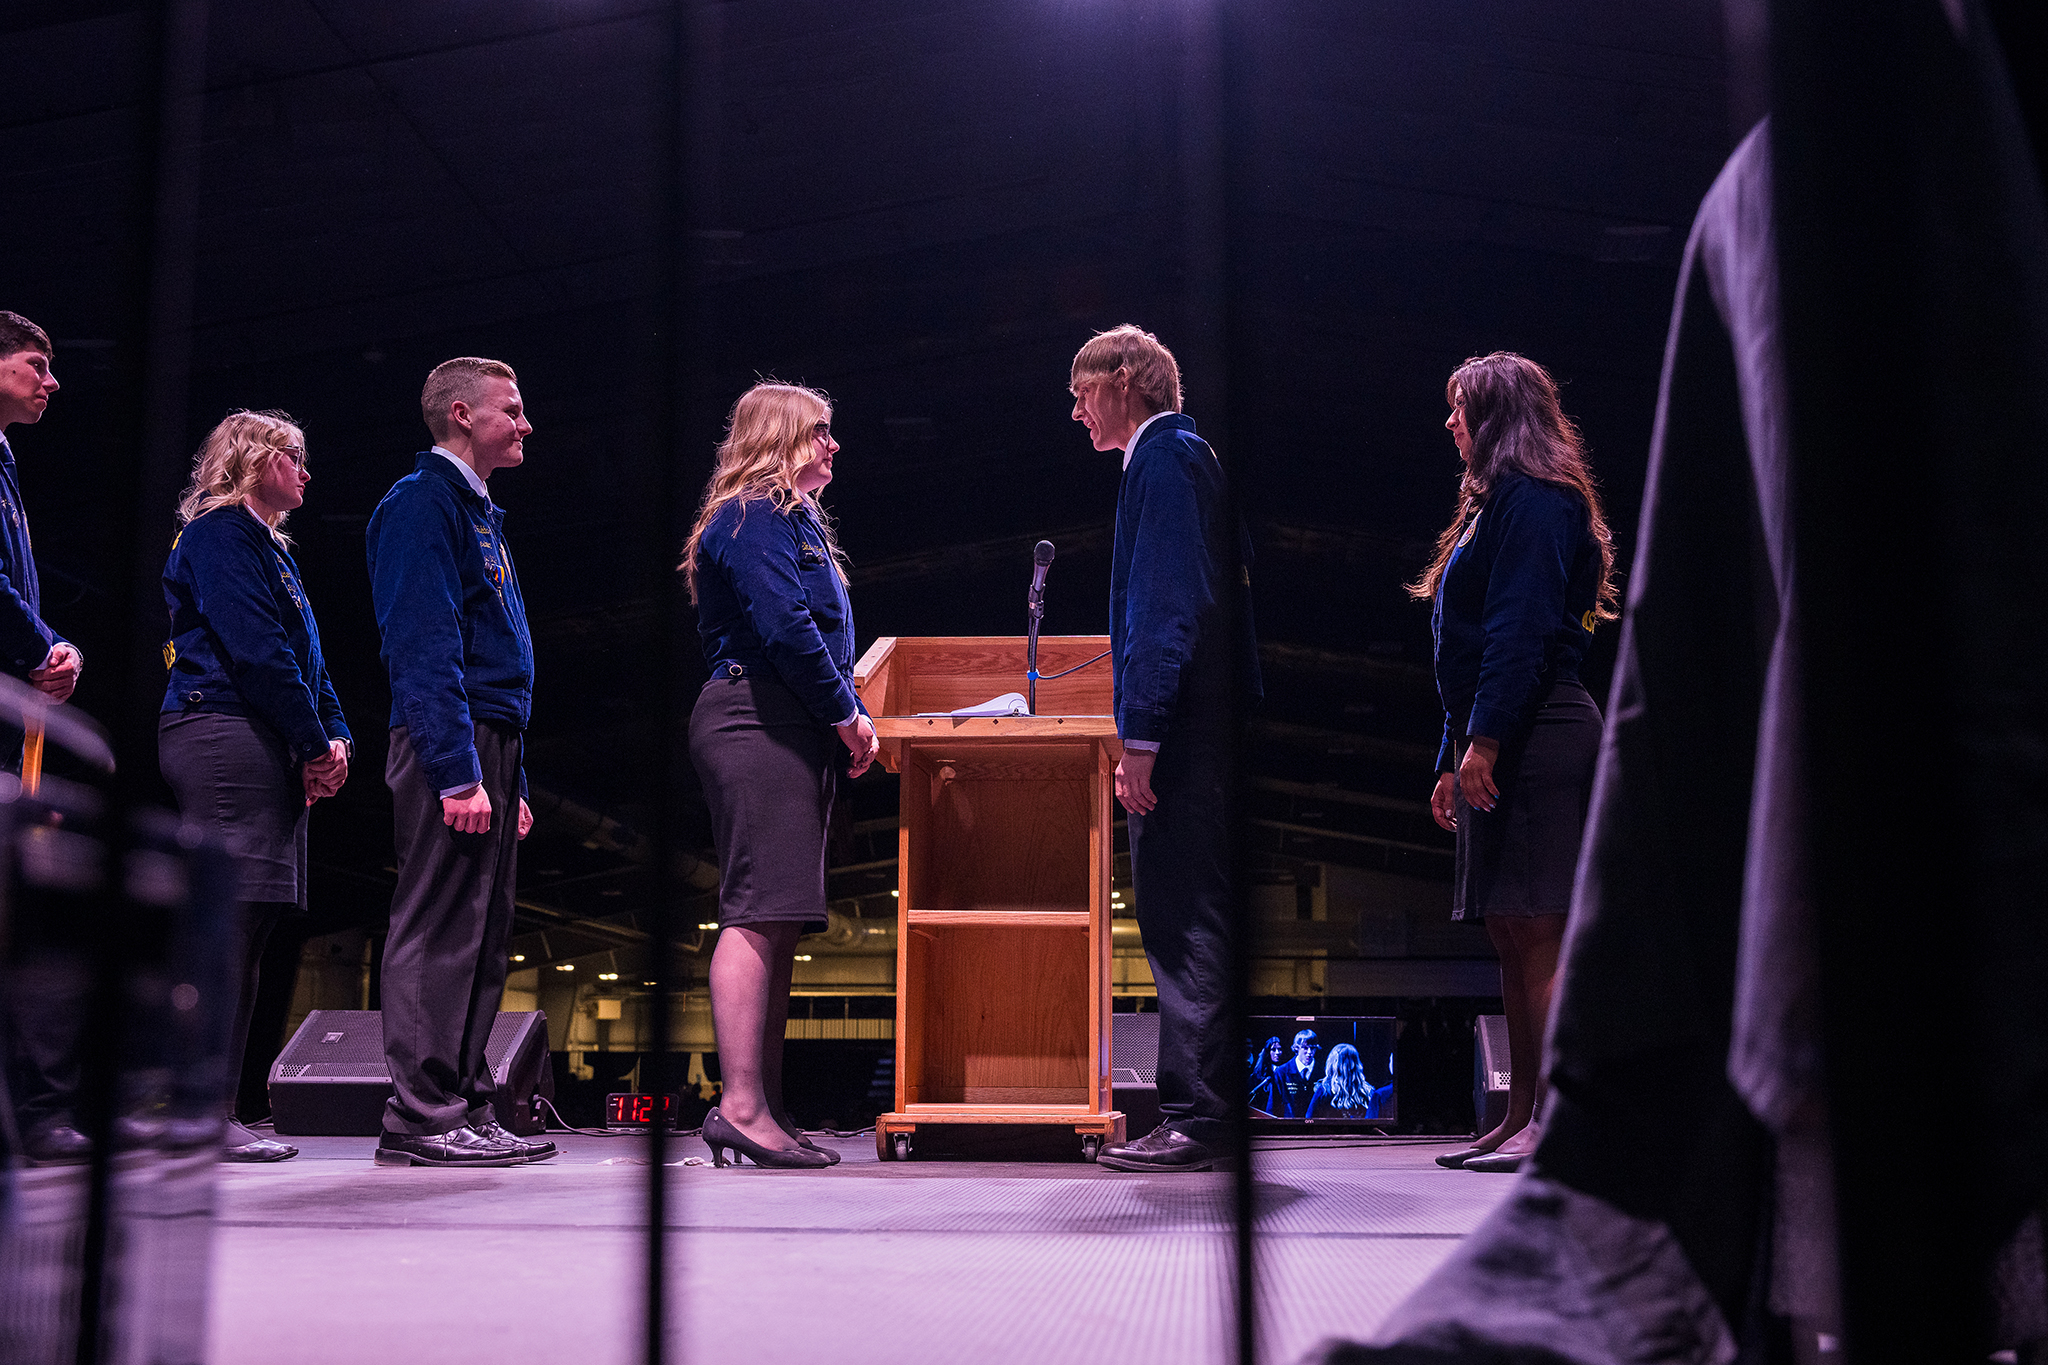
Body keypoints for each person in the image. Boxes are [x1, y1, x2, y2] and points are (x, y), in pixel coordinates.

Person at [1413, 351, 1616, 1174]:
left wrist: (1487, 739)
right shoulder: (1497, 504)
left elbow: (1519, 631)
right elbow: (1460, 651)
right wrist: (1449, 753)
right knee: (1508, 929)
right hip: (1501, 732)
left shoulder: (1534, 502)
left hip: (1540, 732)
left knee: (1539, 930)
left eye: (1462, 408)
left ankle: (1558, 1123)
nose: (1450, 422)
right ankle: (1519, 1113)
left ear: (1499, 417)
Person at [1071, 325, 1261, 1174]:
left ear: (1125, 380)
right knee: (1191, 914)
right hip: (1205, 728)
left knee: (1186, 919)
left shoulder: (1165, 457)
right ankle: (1205, 1112)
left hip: (1184, 733)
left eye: (1082, 390)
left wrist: (1140, 734)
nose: (1074, 410)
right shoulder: (1191, 457)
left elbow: (1165, 604)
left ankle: (1200, 1117)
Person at [683, 381, 877, 1170]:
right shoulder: (749, 515)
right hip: (755, 716)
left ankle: (764, 1102)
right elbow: (789, 631)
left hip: (787, 723)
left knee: (780, 917)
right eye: (820, 432)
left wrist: (845, 714)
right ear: (781, 436)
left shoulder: (790, 520)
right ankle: (739, 1106)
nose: (832, 446)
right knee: (757, 910)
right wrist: (847, 714)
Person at [365, 357, 551, 1167]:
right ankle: (420, 1111)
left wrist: (510, 778)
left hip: (491, 741)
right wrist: (456, 770)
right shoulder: (420, 504)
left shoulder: (478, 510)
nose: (526, 423)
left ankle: (466, 1099)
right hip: (453, 739)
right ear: (464, 414)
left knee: (482, 932)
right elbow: (424, 645)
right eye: (512, 409)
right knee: (438, 924)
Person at [159, 410, 352, 1162]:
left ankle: (213, 1110)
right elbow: (257, 649)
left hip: (263, 738)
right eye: (293, 456)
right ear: (253, 458)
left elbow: (310, 660)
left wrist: (336, 738)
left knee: (251, 929)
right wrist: (311, 740)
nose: (306, 472)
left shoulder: (274, 549)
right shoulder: (220, 534)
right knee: (228, 928)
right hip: (221, 731)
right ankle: (195, 1113)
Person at [0, 311, 88, 1165]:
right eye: (37, 363)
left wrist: (50, 647)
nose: (52, 380)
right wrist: (39, 647)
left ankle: (34, 1111)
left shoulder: (6, 460)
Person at [1307, 1042, 1391, 1120]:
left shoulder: (1324, 1090)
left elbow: (1309, 1119)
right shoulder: (1368, 1091)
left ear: (1332, 1063)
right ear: (1356, 1064)